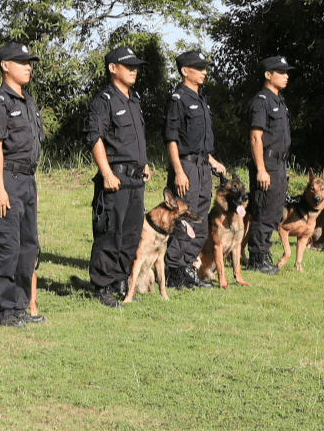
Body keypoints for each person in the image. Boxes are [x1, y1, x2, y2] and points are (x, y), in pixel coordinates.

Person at [0, 41, 44, 326]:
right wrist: (0, 188)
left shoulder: (28, 102)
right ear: (5, 65)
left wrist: (33, 187)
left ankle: (19, 305)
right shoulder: (0, 103)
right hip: (8, 181)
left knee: (28, 247)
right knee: (7, 246)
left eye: (30, 62)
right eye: (21, 62)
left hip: (27, 182)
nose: (28, 67)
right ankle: (2, 310)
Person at [85, 45, 152, 307]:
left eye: (136, 66)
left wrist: (144, 164)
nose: (134, 70)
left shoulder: (133, 100)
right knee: (110, 232)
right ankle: (102, 285)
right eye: (128, 66)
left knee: (131, 234)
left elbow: (137, 139)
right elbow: (94, 137)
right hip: (115, 180)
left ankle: (120, 281)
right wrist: (106, 173)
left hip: (136, 180)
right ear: (113, 68)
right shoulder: (104, 101)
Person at [164, 50, 228, 288]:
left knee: (200, 221)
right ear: (184, 71)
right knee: (185, 218)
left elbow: (199, 141)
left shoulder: (201, 100)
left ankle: (188, 268)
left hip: (202, 167)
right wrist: (179, 171)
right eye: (199, 68)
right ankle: (175, 270)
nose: (204, 72)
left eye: (205, 68)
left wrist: (212, 161)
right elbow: (172, 139)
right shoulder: (178, 99)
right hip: (187, 167)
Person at [245, 55, 294, 275]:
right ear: (268, 74)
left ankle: (263, 252)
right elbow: (256, 137)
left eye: (286, 72)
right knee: (264, 211)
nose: (286, 76)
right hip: (267, 163)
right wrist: (261, 169)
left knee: (275, 211)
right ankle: (257, 258)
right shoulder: (261, 101)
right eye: (281, 72)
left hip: (279, 163)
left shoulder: (279, 101)